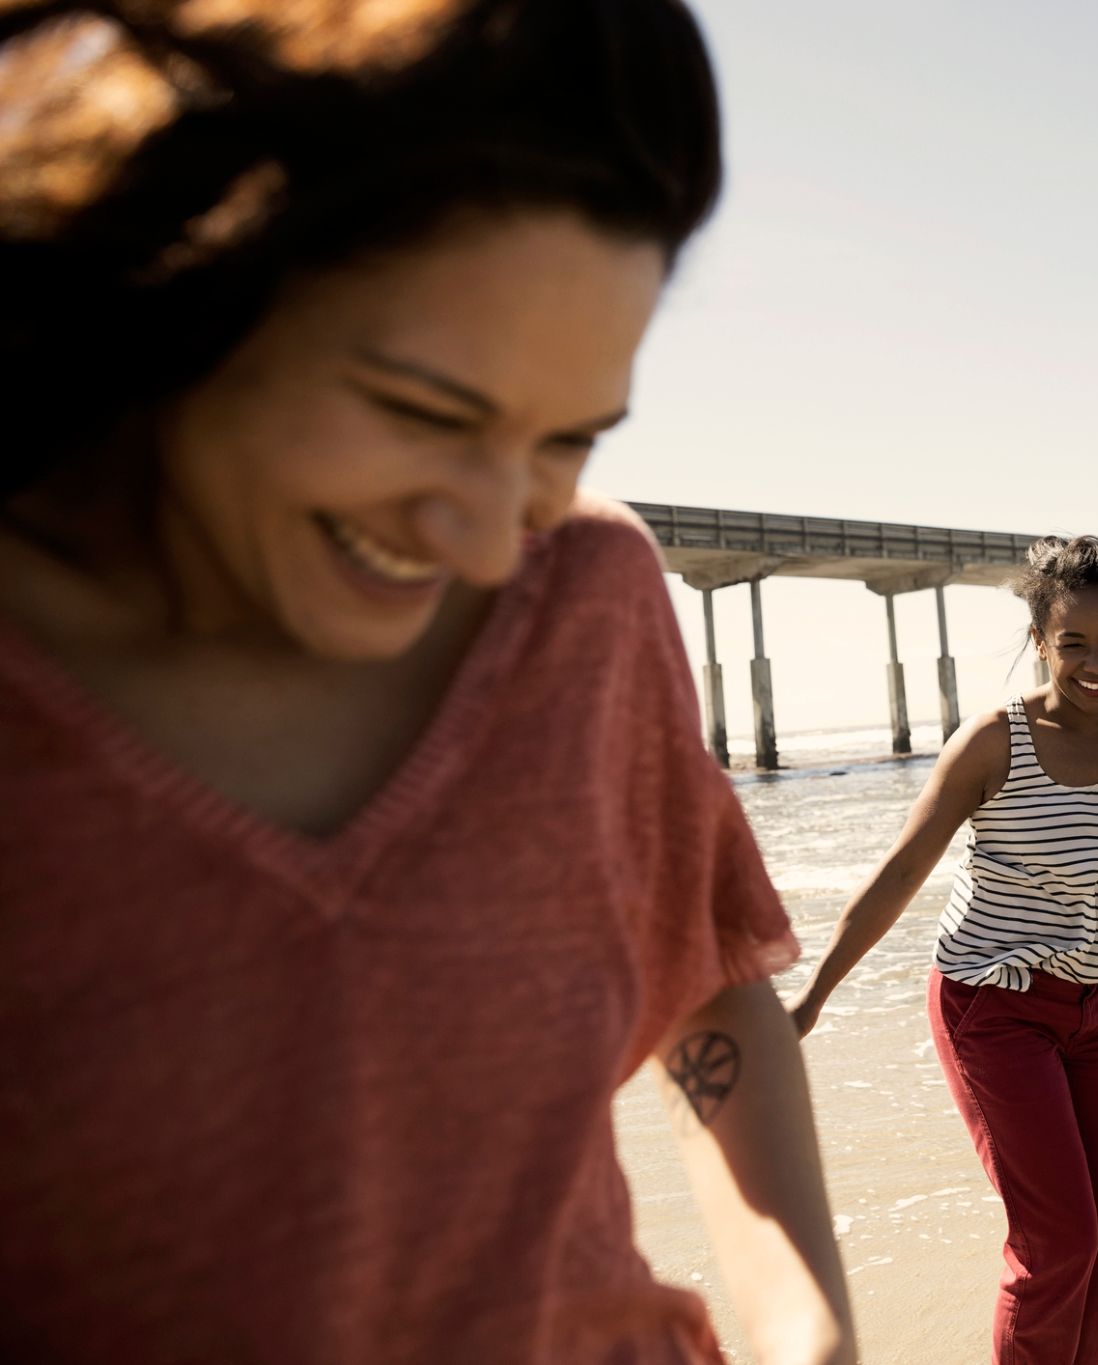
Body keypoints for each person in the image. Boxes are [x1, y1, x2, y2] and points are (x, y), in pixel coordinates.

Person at [0, 4, 853, 1362]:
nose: (482, 536)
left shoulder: (585, 597)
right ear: (185, 288)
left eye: (568, 437)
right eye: (421, 414)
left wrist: (809, 1327)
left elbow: (702, 980)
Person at [788, 535, 1098, 1364]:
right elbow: (899, 872)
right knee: (1058, 1241)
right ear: (1040, 641)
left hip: (1097, 1010)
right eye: (1074, 643)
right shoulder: (995, 741)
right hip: (990, 1006)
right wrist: (812, 996)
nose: (1096, 663)